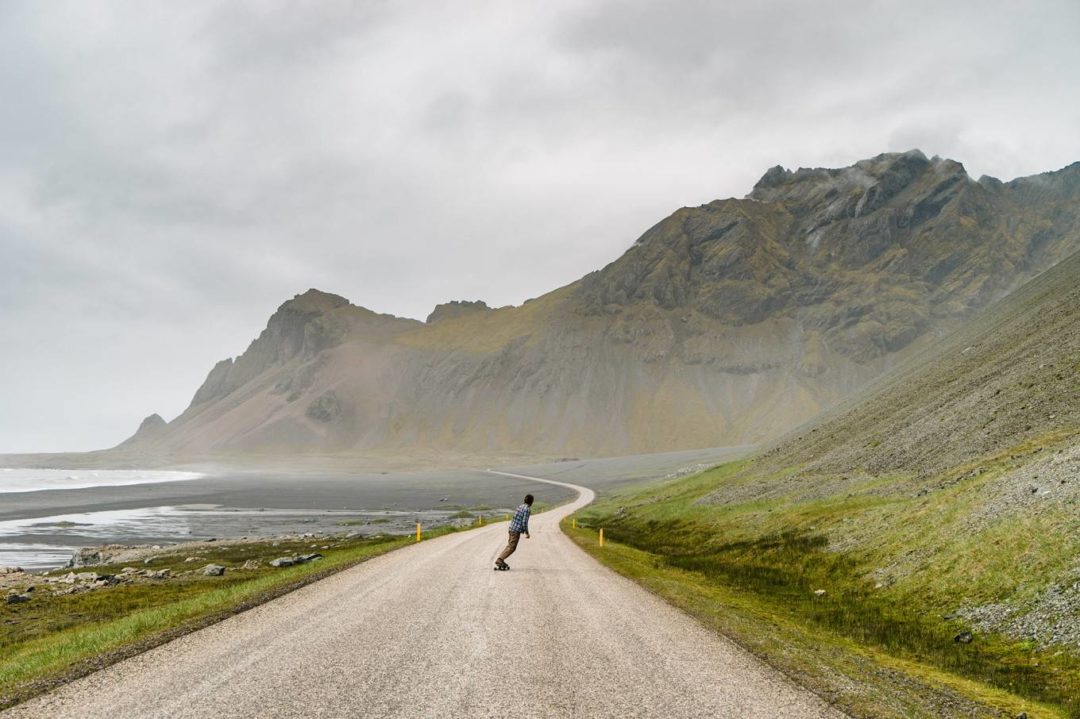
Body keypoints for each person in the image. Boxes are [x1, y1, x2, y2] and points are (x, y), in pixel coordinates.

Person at [494, 494, 533, 570]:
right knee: (512, 547)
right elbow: (524, 522)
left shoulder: (520, 506)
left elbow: (515, 517)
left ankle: (501, 559)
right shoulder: (527, 509)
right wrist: (527, 533)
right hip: (516, 530)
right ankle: (500, 560)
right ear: (531, 502)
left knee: (509, 546)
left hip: (511, 528)